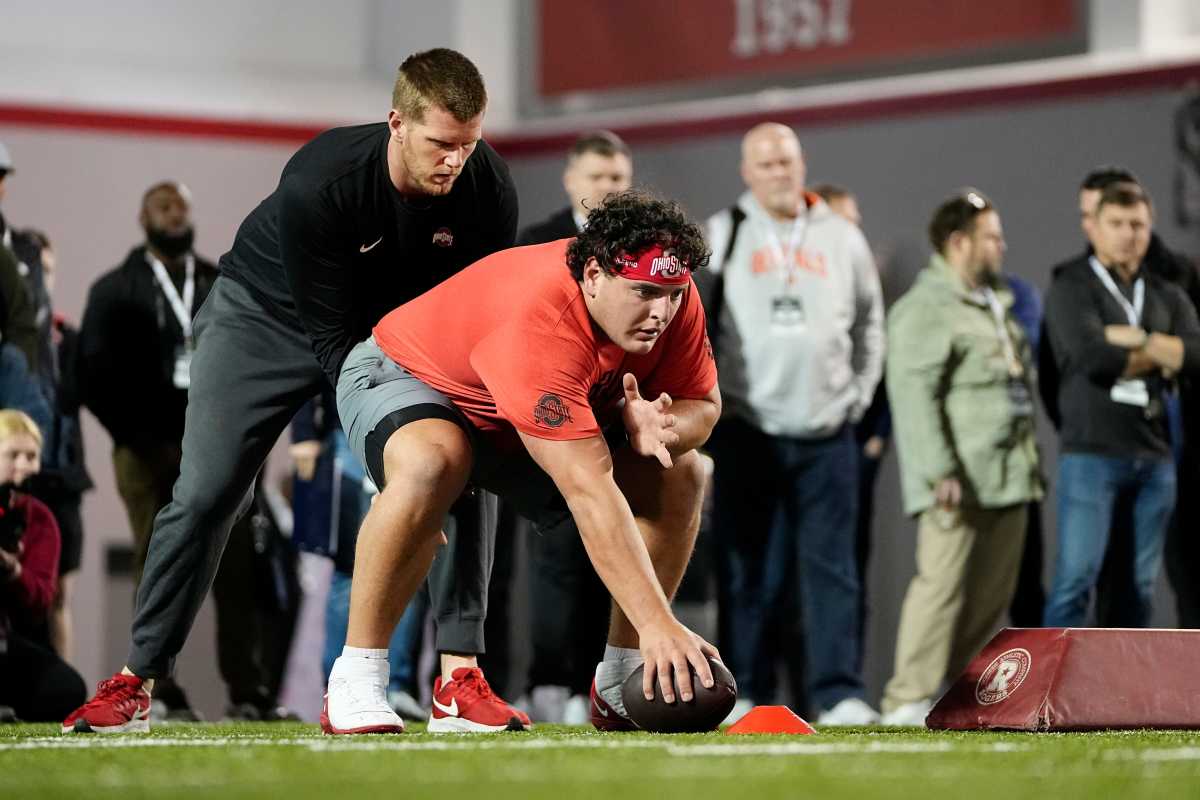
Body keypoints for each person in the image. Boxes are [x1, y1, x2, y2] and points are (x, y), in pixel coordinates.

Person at [63, 48, 521, 734]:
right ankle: (136, 679)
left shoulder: (488, 190)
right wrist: (387, 472)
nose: (455, 160)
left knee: (465, 452)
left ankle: (458, 676)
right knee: (209, 492)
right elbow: (334, 345)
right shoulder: (322, 180)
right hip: (265, 315)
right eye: (440, 143)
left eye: (468, 144)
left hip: (399, 326)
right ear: (396, 123)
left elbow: (478, 320)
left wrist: (433, 468)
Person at [325, 190, 722, 735]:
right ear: (593, 276)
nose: (661, 312)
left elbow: (704, 405)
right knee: (435, 460)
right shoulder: (544, 319)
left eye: (673, 296)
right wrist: (662, 622)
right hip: (406, 374)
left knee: (682, 472)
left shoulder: (674, 297)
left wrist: (665, 425)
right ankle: (357, 676)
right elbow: (589, 488)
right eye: (644, 293)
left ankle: (623, 678)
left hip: (508, 413)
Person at [698, 123, 883, 725]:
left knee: (834, 570)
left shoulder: (841, 235)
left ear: (802, 165)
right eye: (767, 163)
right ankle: (743, 688)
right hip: (749, 426)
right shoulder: (724, 232)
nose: (780, 171)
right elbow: (696, 327)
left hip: (828, 429)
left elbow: (870, 325)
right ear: (746, 172)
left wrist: (854, 397)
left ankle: (837, 693)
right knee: (748, 567)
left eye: (788, 161)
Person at [880, 190, 1042, 726]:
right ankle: (908, 695)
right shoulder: (926, 307)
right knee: (941, 586)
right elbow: (913, 391)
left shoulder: (997, 298)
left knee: (990, 594)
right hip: (957, 474)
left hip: (1009, 473)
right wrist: (936, 468)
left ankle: (946, 691)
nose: (1002, 245)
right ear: (958, 243)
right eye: (991, 236)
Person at [514, 130, 633, 723]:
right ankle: (548, 683)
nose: (607, 188)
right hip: (551, 418)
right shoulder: (536, 243)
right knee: (556, 555)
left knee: (608, 555)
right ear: (570, 179)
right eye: (596, 177)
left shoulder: (644, 247)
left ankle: (596, 683)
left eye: (616, 178)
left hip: (616, 422)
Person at [1042, 181, 1200, 629]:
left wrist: (1139, 339)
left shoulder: (1167, 293)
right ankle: (1049, 696)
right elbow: (1091, 356)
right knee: (1076, 578)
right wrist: (1163, 354)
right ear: (1094, 228)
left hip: (1154, 458)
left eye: (1138, 224)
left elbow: (1195, 356)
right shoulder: (1072, 287)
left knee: (1139, 586)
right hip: (1092, 453)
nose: (1129, 234)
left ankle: (1118, 696)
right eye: (1117, 223)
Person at [0, 410, 86, 722]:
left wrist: (13, 572)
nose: (24, 466)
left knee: (67, 690)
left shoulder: (39, 518)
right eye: (13, 455)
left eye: (31, 456)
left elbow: (39, 603)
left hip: (9, 641)